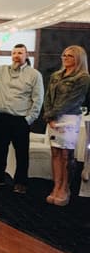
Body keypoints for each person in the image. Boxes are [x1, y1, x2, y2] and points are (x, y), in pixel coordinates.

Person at [0, 43, 44, 194]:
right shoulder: (2, 70)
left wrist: (29, 119)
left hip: (20, 120)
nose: (16, 55)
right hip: (1, 117)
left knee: (21, 153)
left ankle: (20, 182)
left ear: (26, 55)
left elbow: (38, 99)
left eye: (20, 53)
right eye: (14, 53)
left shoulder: (34, 75)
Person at [43, 45, 90, 206]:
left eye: (69, 56)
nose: (65, 58)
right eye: (64, 55)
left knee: (66, 155)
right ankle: (56, 186)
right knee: (55, 152)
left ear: (78, 58)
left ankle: (65, 188)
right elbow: (48, 96)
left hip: (69, 118)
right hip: (53, 119)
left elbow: (73, 100)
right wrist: (49, 116)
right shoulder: (56, 75)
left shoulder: (83, 77)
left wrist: (51, 115)